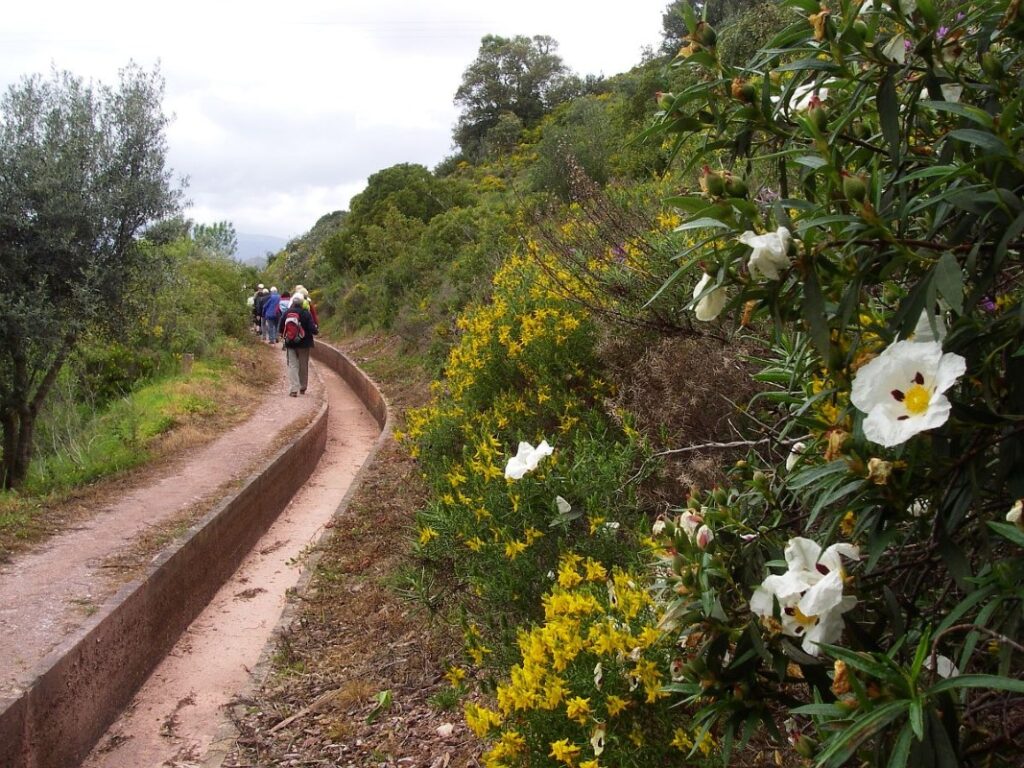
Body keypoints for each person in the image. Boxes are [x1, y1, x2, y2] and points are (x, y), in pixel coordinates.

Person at [279, 291, 316, 396]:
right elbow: (312, 328)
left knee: (292, 365)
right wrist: (315, 331)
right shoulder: (306, 313)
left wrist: (284, 335)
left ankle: (294, 389)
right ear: (302, 302)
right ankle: (303, 387)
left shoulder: (287, 312)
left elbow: (281, 326)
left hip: (290, 343)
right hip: (304, 344)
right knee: (303, 365)